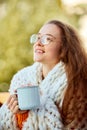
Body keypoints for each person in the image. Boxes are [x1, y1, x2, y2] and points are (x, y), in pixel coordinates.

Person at [0, 19, 87, 130]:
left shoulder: (77, 83)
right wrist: (20, 114)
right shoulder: (21, 78)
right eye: (38, 37)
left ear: (64, 48)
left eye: (47, 39)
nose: (38, 43)